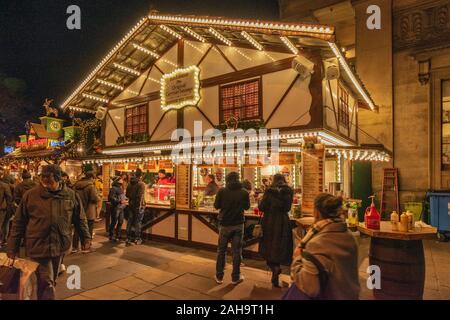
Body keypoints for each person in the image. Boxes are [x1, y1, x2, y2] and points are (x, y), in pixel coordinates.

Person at [7, 164, 91, 300]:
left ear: (58, 178)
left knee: (51, 280)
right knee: (46, 281)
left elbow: (80, 219)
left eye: (48, 177)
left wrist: (86, 238)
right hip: (38, 245)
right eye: (43, 176)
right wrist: (13, 247)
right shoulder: (31, 195)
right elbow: (18, 223)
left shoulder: (70, 195)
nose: (44, 179)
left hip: (60, 245)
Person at [290, 193, 360, 300]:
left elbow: (309, 287)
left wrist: (297, 259)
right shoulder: (350, 237)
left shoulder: (316, 244)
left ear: (317, 213)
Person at [213, 171, 250, 285]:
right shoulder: (244, 192)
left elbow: (216, 206)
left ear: (227, 179)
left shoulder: (222, 191)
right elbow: (247, 207)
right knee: (236, 252)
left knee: (221, 251)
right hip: (238, 224)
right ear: (238, 179)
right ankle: (235, 277)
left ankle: (219, 276)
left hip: (224, 224)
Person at [258, 173, 294, 287]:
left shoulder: (269, 191)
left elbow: (261, 207)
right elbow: (287, 208)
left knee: (267, 245)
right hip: (283, 221)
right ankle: (276, 268)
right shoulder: (288, 191)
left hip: (269, 221)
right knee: (279, 246)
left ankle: (274, 268)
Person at [72, 171, 100, 253]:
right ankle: (86, 247)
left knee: (77, 229)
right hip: (89, 211)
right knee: (88, 229)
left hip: (78, 210)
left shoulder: (76, 185)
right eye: (94, 178)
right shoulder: (90, 186)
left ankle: (74, 247)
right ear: (91, 178)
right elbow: (95, 198)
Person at [126, 169, 146, 245]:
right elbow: (140, 196)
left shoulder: (129, 183)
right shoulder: (141, 184)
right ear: (141, 176)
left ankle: (128, 238)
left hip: (130, 204)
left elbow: (127, 195)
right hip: (138, 205)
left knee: (130, 221)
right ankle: (137, 239)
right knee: (138, 222)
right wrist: (140, 206)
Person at [108, 177, 128, 241]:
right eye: (120, 179)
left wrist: (125, 199)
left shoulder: (120, 188)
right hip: (115, 207)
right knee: (114, 222)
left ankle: (118, 235)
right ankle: (111, 235)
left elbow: (122, 196)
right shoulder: (113, 188)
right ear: (117, 181)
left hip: (121, 207)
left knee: (120, 221)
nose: (122, 180)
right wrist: (119, 201)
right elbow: (111, 198)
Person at [0, 178, 13, 247]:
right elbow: (9, 197)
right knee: (3, 224)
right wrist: (9, 208)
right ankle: (2, 240)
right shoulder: (4, 185)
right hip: (2, 208)